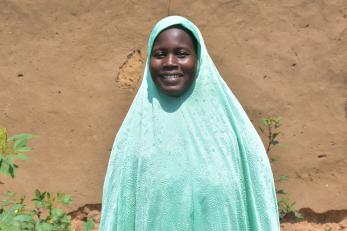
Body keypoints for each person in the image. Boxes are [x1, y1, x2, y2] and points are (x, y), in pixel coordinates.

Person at [99, 16, 280, 231]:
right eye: (159, 54)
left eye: (182, 54)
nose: (170, 63)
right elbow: (118, 214)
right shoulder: (133, 138)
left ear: (199, 59)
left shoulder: (234, 133)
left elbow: (258, 206)